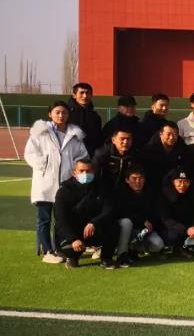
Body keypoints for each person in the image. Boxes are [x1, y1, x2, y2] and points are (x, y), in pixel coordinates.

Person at [25, 101, 88, 263]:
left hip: (66, 185)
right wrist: (43, 165)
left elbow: (83, 156)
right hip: (45, 182)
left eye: (64, 112)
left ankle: (60, 249)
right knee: (44, 219)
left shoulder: (75, 134)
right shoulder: (41, 132)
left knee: (62, 218)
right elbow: (30, 153)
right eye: (57, 112)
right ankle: (47, 251)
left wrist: (75, 169)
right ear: (50, 114)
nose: (61, 115)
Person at [53, 158, 118, 269]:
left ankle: (106, 259)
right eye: (81, 171)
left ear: (93, 172)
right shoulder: (63, 192)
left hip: (93, 229)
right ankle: (72, 258)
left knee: (114, 225)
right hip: (74, 231)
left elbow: (109, 209)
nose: (85, 174)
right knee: (69, 247)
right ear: (74, 173)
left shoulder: (101, 187)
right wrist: (73, 239)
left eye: (88, 171)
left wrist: (94, 222)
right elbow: (61, 219)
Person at [113, 166, 164, 265]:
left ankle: (133, 249)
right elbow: (121, 212)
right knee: (126, 222)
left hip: (144, 230)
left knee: (158, 245)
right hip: (126, 229)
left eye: (141, 178)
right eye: (134, 178)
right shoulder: (120, 192)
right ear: (127, 180)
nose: (138, 181)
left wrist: (151, 224)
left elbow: (157, 212)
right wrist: (142, 221)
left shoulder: (151, 193)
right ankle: (121, 255)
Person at [159, 168, 194, 256]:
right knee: (174, 236)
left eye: (186, 182)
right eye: (179, 181)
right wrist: (186, 229)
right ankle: (174, 248)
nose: (182, 185)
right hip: (168, 229)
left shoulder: (193, 194)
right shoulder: (164, 196)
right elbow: (165, 219)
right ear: (173, 182)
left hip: (189, 227)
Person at [92, 127, 139, 196]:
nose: (125, 142)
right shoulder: (102, 154)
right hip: (106, 192)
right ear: (113, 140)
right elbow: (95, 176)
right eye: (122, 139)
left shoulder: (136, 154)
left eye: (128, 139)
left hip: (127, 192)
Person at [67, 82, 104, 154]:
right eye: (81, 93)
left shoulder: (95, 117)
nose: (85, 96)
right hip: (70, 155)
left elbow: (98, 139)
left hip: (90, 156)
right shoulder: (66, 114)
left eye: (87, 93)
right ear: (74, 95)